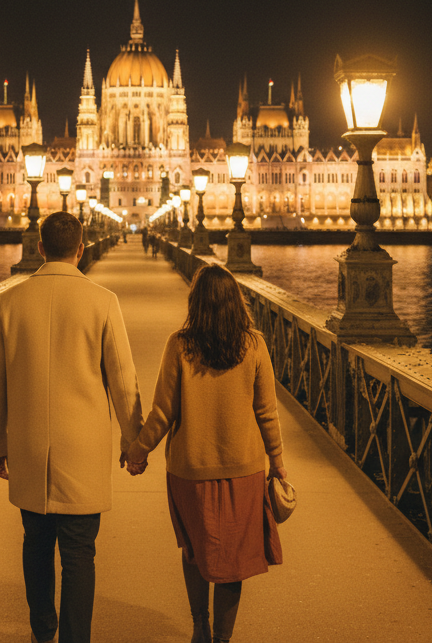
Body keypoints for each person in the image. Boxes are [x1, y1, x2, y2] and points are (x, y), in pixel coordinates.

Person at [0, 210, 144, 643]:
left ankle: (43, 630)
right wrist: (134, 442)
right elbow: (123, 381)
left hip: (30, 447)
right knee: (79, 554)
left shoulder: (9, 302)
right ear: (81, 249)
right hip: (83, 449)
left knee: (35, 543)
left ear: (39, 249)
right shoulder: (103, 301)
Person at [126, 264, 286, 643]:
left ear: (195, 302)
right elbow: (267, 413)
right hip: (243, 469)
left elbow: (163, 412)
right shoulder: (254, 345)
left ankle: (199, 624)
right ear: (236, 301)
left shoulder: (180, 345)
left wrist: (138, 450)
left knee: (195, 550)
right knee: (234, 561)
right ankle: (221, 638)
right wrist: (277, 463)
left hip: (190, 470)